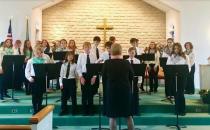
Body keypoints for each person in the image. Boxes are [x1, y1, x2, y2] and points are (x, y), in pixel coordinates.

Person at [102, 43, 135, 130]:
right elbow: (132, 76)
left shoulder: (107, 63)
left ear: (111, 51)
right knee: (128, 116)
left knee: (112, 117)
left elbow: (104, 77)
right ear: (121, 51)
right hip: (125, 91)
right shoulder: (126, 62)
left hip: (112, 91)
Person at [167, 43, 189, 116]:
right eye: (175, 48)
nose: (176, 50)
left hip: (182, 77)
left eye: (177, 48)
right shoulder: (171, 56)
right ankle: (177, 109)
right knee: (176, 94)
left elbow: (188, 67)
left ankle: (182, 110)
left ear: (180, 48)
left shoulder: (185, 56)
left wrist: (184, 72)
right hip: (174, 77)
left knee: (181, 93)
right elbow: (168, 66)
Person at [25, 46, 48, 115]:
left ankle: (39, 107)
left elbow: (47, 70)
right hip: (34, 79)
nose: (38, 54)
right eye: (36, 53)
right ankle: (35, 108)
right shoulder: (31, 61)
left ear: (42, 53)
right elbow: (27, 71)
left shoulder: (45, 61)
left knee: (40, 95)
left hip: (42, 79)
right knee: (34, 95)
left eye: (40, 53)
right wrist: (29, 78)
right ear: (34, 53)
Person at [76, 42, 97, 115]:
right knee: (84, 93)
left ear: (90, 48)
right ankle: (84, 110)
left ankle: (91, 110)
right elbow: (78, 67)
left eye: (88, 47)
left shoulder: (93, 55)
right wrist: (81, 77)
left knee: (90, 93)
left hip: (91, 75)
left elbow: (95, 67)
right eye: (86, 47)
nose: (87, 48)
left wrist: (94, 77)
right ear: (83, 48)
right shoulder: (81, 56)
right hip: (84, 75)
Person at [59, 52, 77, 116]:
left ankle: (74, 110)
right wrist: (61, 83)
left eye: (71, 56)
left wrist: (76, 84)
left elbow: (76, 75)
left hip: (72, 81)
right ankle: (63, 110)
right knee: (63, 97)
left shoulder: (75, 65)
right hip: (65, 81)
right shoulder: (63, 65)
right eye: (69, 56)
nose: (70, 57)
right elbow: (61, 75)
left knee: (73, 96)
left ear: (73, 57)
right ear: (66, 57)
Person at [127, 47, 141, 115]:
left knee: (135, 95)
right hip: (128, 80)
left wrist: (140, 81)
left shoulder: (137, 61)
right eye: (131, 52)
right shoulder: (126, 61)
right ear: (128, 53)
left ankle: (136, 110)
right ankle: (129, 110)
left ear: (135, 53)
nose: (132, 54)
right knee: (129, 95)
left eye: (133, 53)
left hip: (135, 79)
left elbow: (140, 72)